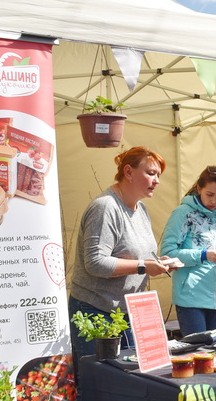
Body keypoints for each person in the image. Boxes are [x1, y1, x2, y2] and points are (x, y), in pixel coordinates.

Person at [68, 147, 172, 365]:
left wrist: (160, 263)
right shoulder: (105, 207)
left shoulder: (140, 208)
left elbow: (138, 254)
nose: (157, 181)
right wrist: (143, 266)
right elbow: (95, 263)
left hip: (126, 312)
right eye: (151, 173)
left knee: (128, 380)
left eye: (158, 175)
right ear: (128, 172)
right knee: (100, 382)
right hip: (96, 310)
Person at [160, 166, 216, 335]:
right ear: (198, 189)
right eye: (209, 194)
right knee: (197, 352)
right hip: (191, 296)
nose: (214, 201)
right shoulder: (183, 213)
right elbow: (168, 252)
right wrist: (203, 255)